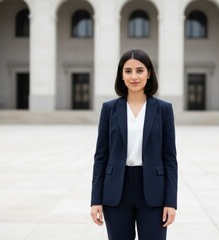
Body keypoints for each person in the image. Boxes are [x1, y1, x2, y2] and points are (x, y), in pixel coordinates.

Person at [90, 49, 178, 240]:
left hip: (153, 192)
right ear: (121, 75)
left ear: (149, 73)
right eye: (128, 71)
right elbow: (100, 157)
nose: (134, 76)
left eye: (139, 70)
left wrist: (171, 202)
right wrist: (96, 199)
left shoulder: (164, 110)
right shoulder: (109, 109)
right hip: (116, 192)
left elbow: (170, 159)